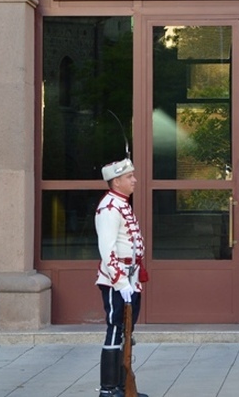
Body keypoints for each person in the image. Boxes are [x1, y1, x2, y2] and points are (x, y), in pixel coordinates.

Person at [95, 157, 148, 397]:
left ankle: (120, 386)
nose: (134, 180)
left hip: (131, 279)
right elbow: (108, 251)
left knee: (126, 331)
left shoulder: (122, 204)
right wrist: (121, 283)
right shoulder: (109, 208)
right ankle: (108, 389)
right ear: (116, 181)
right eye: (129, 177)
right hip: (118, 281)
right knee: (115, 329)